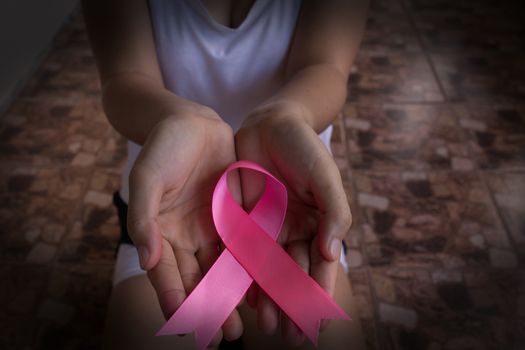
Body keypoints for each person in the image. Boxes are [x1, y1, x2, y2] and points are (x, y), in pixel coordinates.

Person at [81, 0, 369, 348]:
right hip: (173, 216)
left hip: (291, 216)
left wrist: (286, 115)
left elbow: (325, 67)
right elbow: (122, 79)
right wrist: (177, 119)